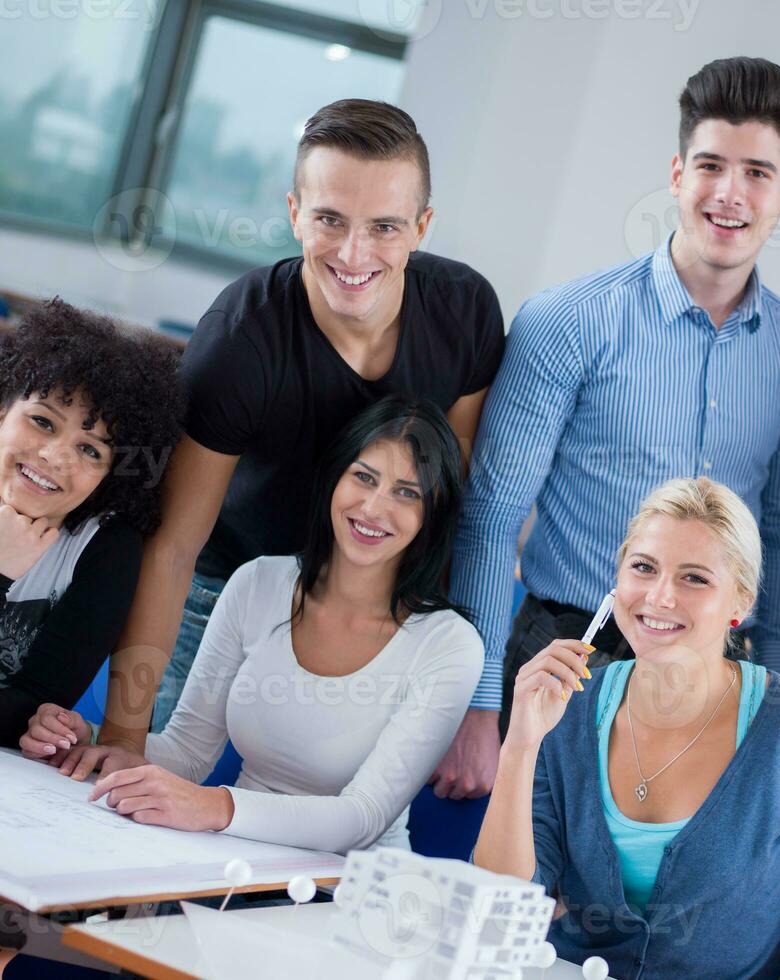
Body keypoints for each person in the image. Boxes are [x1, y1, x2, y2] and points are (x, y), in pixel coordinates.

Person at [89, 100, 504, 776]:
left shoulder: (464, 313)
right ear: (293, 213)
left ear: (422, 228)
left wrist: (445, 675)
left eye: (384, 227)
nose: (353, 252)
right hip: (221, 591)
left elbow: (448, 506)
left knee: (316, 821)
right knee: (148, 788)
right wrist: (125, 734)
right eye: (329, 219)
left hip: (368, 606)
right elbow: (173, 549)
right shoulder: (239, 342)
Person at [449, 57, 780, 792]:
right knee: (520, 892)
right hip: (567, 652)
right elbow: (490, 518)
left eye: (756, 172)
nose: (729, 193)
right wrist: (477, 704)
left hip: (714, 676)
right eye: (711, 165)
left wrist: (772, 707)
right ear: (677, 173)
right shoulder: (569, 320)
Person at [21, 397, 483, 854]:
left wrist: (213, 807)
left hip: (351, 891)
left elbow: (360, 818)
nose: (374, 508)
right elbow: (188, 751)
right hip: (232, 859)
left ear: (434, 512)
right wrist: (91, 741)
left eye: (408, 492)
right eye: (363, 477)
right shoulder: (259, 582)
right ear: (334, 479)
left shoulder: (448, 644)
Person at [474, 478, 780, 979]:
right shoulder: (570, 710)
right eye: (643, 568)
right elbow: (503, 900)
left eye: (695, 578)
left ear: (741, 604)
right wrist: (521, 743)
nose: (660, 597)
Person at [0, 300, 183, 747]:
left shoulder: (104, 548)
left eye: (91, 450)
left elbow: (37, 705)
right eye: (43, 421)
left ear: (111, 474)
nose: (54, 456)